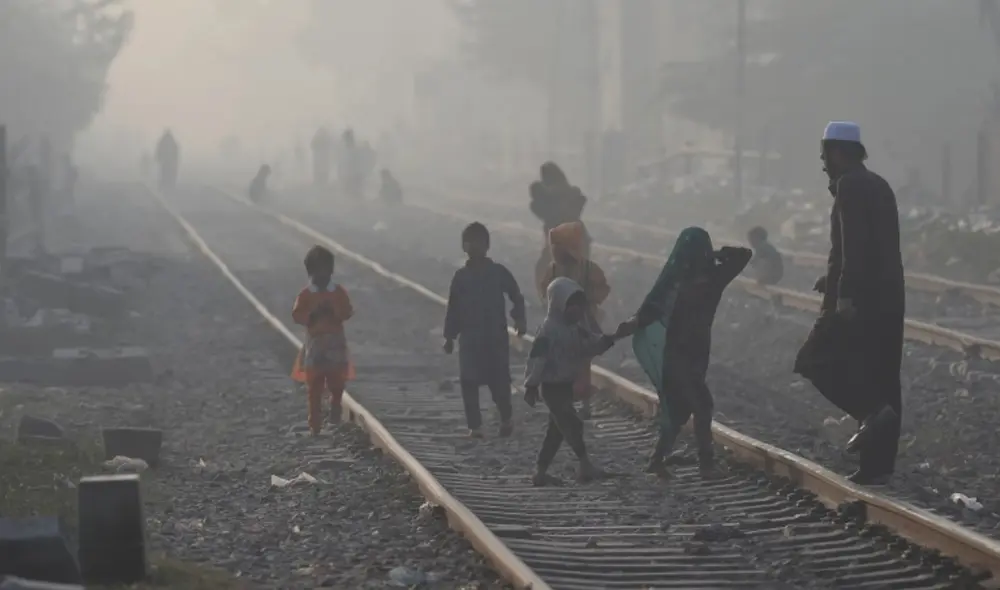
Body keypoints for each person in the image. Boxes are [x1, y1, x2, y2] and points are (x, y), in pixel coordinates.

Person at [794, 121, 904, 485]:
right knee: (882, 374)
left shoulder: (850, 185)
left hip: (858, 298)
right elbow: (877, 244)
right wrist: (833, 276)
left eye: (825, 154)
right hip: (888, 296)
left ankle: (870, 412)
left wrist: (844, 293)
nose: (823, 163)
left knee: (813, 360)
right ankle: (878, 467)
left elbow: (855, 244)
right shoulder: (879, 184)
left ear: (838, 152)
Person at [616, 228, 751, 477]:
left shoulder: (690, 280)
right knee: (701, 404)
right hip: (679, 355)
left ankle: (657, 460)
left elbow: (744, 255)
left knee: (679, 408)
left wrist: (717, 253)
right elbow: (743, 256)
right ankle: (706, 464)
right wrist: (716, 253)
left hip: (691, 353)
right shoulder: (702, 278)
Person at [525, 277, 625, 486]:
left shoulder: (575, 329)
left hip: (564, 386)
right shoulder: (548, 330)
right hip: (551, 388)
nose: (578, 311)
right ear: (559, 304)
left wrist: (608, 340)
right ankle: (585, 465)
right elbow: (537, 359)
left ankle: (540, 472)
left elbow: (588, 347)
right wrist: (531, 384)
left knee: (556, 432)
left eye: (580, 306)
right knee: (572, 423)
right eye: (573, 306)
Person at [444, 223, 526, 438]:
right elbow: (453, 307)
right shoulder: (460, 277)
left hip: (495, 337)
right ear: (464, 246)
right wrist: (449, 336)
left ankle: (506, 419)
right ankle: (475, 426)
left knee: (499, 380)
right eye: (470, 242)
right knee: (468, 381)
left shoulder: (498, 273)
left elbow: (516, 295)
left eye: (478, 242)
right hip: (469, 338)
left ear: (487, 245)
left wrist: (519, 319)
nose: (474, 246)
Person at [537, 220, 610, 419]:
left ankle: (585, 404)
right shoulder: (552, 270)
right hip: (560, 324)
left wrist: (586, 300)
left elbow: (602, 289)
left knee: (583, 364)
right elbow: (544, 290)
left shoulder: (588, 269)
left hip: (584, 323)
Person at [291, 245, 356, 435]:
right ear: (310, 272)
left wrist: (334, 311)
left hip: (335, 343)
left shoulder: (338, 292)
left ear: (331, 271)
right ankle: (315, 424)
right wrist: (312, 315)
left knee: (337, 381)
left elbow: (347, 311)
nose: (322, 276)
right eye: (318, 272)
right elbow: (297, 315)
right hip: (315, 345)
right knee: (314, 385)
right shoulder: (305, 295)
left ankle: (336, 406)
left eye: (325, 271)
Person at [529, 162, 589, 290]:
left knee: (547, 269)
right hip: (568, 238)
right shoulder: (563, 194)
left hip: (564, 239)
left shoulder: (562, 194)